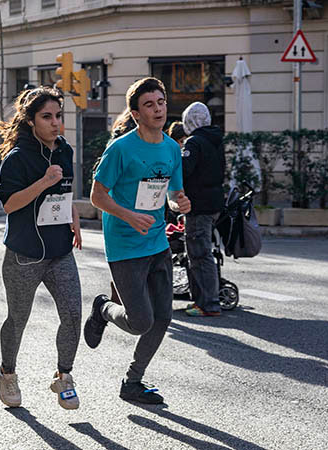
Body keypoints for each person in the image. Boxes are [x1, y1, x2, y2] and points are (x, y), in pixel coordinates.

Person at [84, 77, 191, 405]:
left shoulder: (172, 148)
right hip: (125, 246)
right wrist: (128, 215)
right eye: (149, 104)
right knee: (139, 321)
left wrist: (179, 204)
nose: (158, 109)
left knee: (163, 318)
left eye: (161, 102)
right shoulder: (121, 149)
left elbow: (172, 193)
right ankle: (103, 308)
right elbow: (96, 196)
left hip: (157, 243)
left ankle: (133, 382)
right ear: (135, 113)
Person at [0, 87, 84, 410]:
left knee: (73, 314)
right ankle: (7, 372)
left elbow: (66, 190)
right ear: (31, 121)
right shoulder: (16, 159)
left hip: (60, 250)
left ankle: (64, 374)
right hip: (24, 254)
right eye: (47, 117)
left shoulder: (65, 150)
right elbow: (9, 205)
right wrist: (43, 182)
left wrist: (73, 216)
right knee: (18, 319)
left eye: (59, 116)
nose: (55, 123)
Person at [178, 102, 225, 317]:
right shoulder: (216, 139)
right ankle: (204, 300)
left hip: (198, 205)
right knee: (203, 251)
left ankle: (208, 303)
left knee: (199, 253)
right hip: (214, 202)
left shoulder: (194, 142)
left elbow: (185, 170)